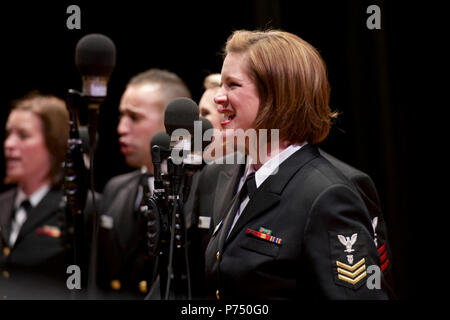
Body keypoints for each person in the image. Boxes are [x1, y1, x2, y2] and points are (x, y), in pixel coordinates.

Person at [194, 29, 394, 299]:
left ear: (276, 96)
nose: (218, 98)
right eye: (221, 85)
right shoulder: (235, 178)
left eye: (232, 85)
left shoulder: (326, 195)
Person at [95, 68, 191, 298]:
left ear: (173, 124)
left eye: (134, 117)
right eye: (121, 116)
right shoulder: (115, 188)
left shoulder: (198, 189)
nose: (121, 129)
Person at [0, 92, 71, 299]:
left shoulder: (77, 209)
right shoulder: (2, 204)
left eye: (23, 135)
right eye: (8, 134)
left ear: (52, 144)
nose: (9, 144)